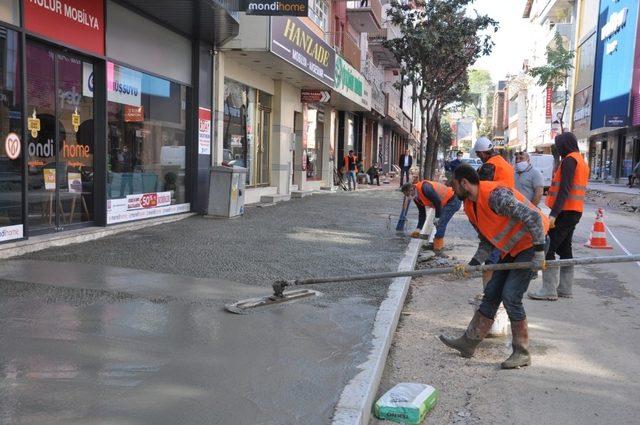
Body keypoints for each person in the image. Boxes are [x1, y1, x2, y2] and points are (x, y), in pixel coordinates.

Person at [440, 164, 549, 369]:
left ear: (464, 183)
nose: (451, 189)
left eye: (454, 185)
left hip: (531, 245)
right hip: (512, 250)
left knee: (510, 295)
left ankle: (522, 352)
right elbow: (488, 240)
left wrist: (539, 252)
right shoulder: (471, 205)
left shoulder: (495, 196)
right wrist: (472, 264)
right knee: (491, 293)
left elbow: (533, 217)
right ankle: (469, 342)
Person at [529, 132, 589, 301]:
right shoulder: (580, 160)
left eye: (558, 145)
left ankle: (548, 289)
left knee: (549, 247)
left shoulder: (570, 160)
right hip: (573, 211)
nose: (558, 148)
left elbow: (565, 189)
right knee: (565, 248)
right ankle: (565, 288)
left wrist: (554, 214)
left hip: (566, 212)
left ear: (565, 145)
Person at [474, 137, 516, 285]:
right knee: (500, 249)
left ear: (483, 153)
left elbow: (481, 190)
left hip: (494, 211)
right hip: (506, 209)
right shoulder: (505, 164)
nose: (479, 158)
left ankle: (489, 293)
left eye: (479, 155)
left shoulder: (489, 167)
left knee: (492, 252)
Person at [401, 179, 462, 252]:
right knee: (438, 223)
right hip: (445, 203)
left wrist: (437, 217)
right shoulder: (416, 198)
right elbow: (422, 213)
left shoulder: (425, 188)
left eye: (407, 194)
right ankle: (436, 243)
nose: (408, 197)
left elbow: (437, 202)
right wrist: (418, 229)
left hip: (453, 200)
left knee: (441, 222)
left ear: (411, 189)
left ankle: (438, 248)